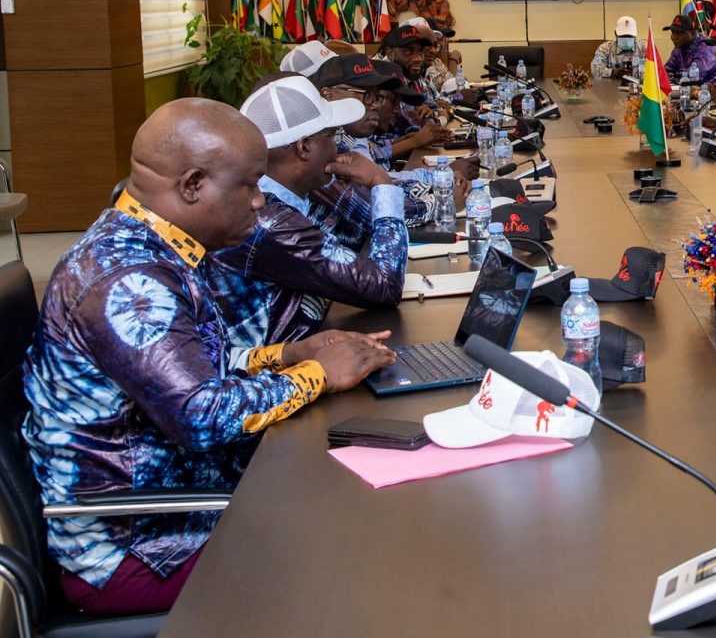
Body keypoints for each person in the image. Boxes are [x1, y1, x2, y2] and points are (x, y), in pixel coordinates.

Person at [22, 99, 395, 615]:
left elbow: (196, 365)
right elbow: (200, 414)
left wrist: (285, 354)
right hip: (144, 547)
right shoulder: (129, 281)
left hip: (187, 507)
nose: (260, 201)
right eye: (249, 185)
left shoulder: (154, 246)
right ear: (193, 184)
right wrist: (317, 374)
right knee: (360, 551)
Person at [214, 76, 410, 361]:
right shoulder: (270, 222)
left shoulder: (285, 200)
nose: (338, 148)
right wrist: (382, 184)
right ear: (304, 147)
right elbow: (383, 286)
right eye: (331, 136)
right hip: (281, 376)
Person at [315, 55, 471, 226]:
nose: (375, 105)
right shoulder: (319, 148)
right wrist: (441, 203)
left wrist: (436, 180)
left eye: (377, 96)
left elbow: (382, 181)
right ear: (328, 95)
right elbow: (373, 211)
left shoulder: (346, 137)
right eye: (367, 95)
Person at [664, 13, 716, 84]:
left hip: (713, 89)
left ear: (693, 34)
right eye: (672, 33)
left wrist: (672, 77)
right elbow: (665, 72)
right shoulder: (679, 48)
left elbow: (693, 78)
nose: (673, 37)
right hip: (689, 89)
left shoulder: (706, 46)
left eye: (679, 33)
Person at [592, 15, 641, 79]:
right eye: (622, 36)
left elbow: (653, 70)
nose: (626, 39)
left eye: (629, 36)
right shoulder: (605, 48)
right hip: (610, 85)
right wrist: (612, 72)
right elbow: (595, 70)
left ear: (635, 35)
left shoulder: (644, 49)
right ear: (615, 34)